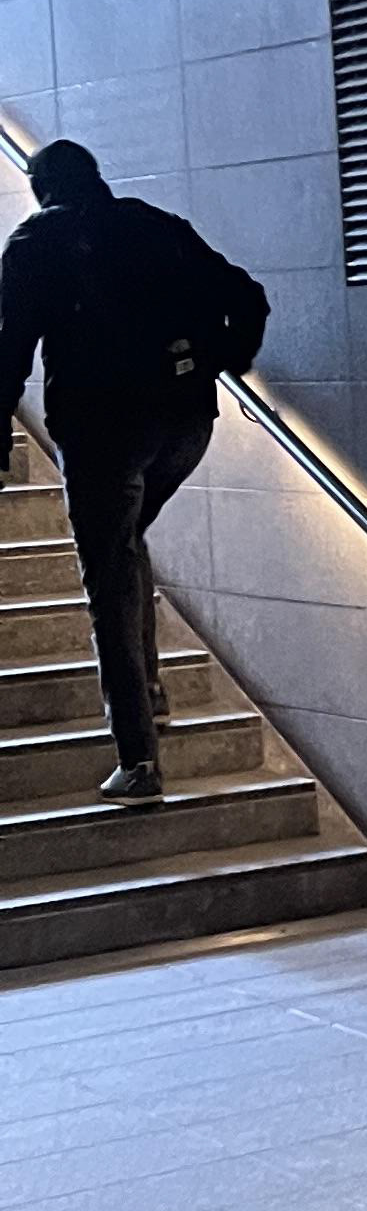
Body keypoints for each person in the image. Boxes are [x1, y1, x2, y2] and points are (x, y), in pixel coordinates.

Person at [0, 141, 268, 806]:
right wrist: (219, 360)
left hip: (101, 434)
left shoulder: (35, 242)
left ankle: (138, 759)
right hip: (184, 426)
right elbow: (249, 297)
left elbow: (10, 351)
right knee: (124, 542)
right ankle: (149, 691)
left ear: (39, 186)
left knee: (109, 579)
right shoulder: (153, 224)